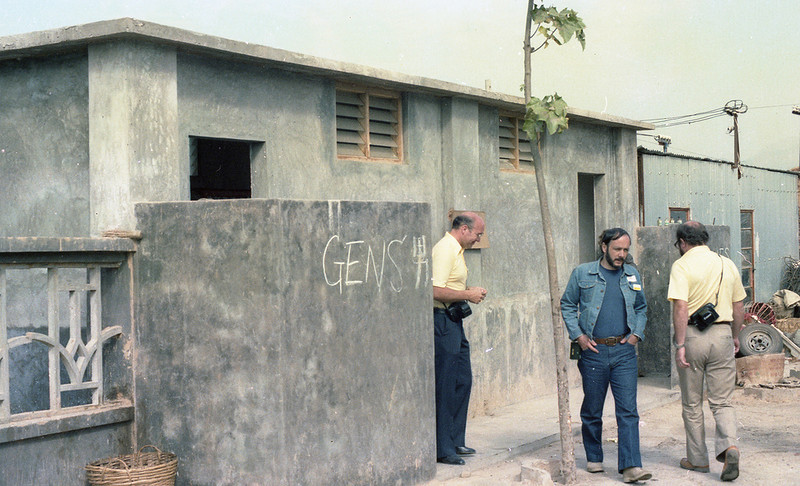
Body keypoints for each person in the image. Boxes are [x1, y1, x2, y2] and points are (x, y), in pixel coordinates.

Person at [560, 228, 652, 483]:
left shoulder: (631, 274)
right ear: (604, 247)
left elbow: (641, 307)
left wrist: (636, 334)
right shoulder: (583, 273)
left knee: (628, 410)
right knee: (592, 408)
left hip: (624, 352)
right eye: (617, 249)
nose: (622, 254)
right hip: (593, 352)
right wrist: (579, 336)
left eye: (625, 250)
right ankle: (594, 457)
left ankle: (631, 466)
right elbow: (567, 304)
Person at [668, 221, 745, 482]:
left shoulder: (681, 265)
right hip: (722, 334)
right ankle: (729, 446)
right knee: (722, 401)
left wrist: (680, 345)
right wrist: (734, 336)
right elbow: (738, 305)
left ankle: (698, 460)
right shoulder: (727, 264)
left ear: (682, 242)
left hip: (692, 335)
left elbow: (681, 307)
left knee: (692, 403)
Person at [431, 212, 487, 465]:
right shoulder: (445, 249)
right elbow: (433, 290)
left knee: (462, 380)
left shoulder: (457, 250)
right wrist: (467, 295)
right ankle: (443, 448)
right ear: (464, 229)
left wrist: (466, 292)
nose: (478, 239)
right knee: (447, 383)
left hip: (453, 321)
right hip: (441, 321)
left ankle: (454, 439)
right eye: (477, 234)